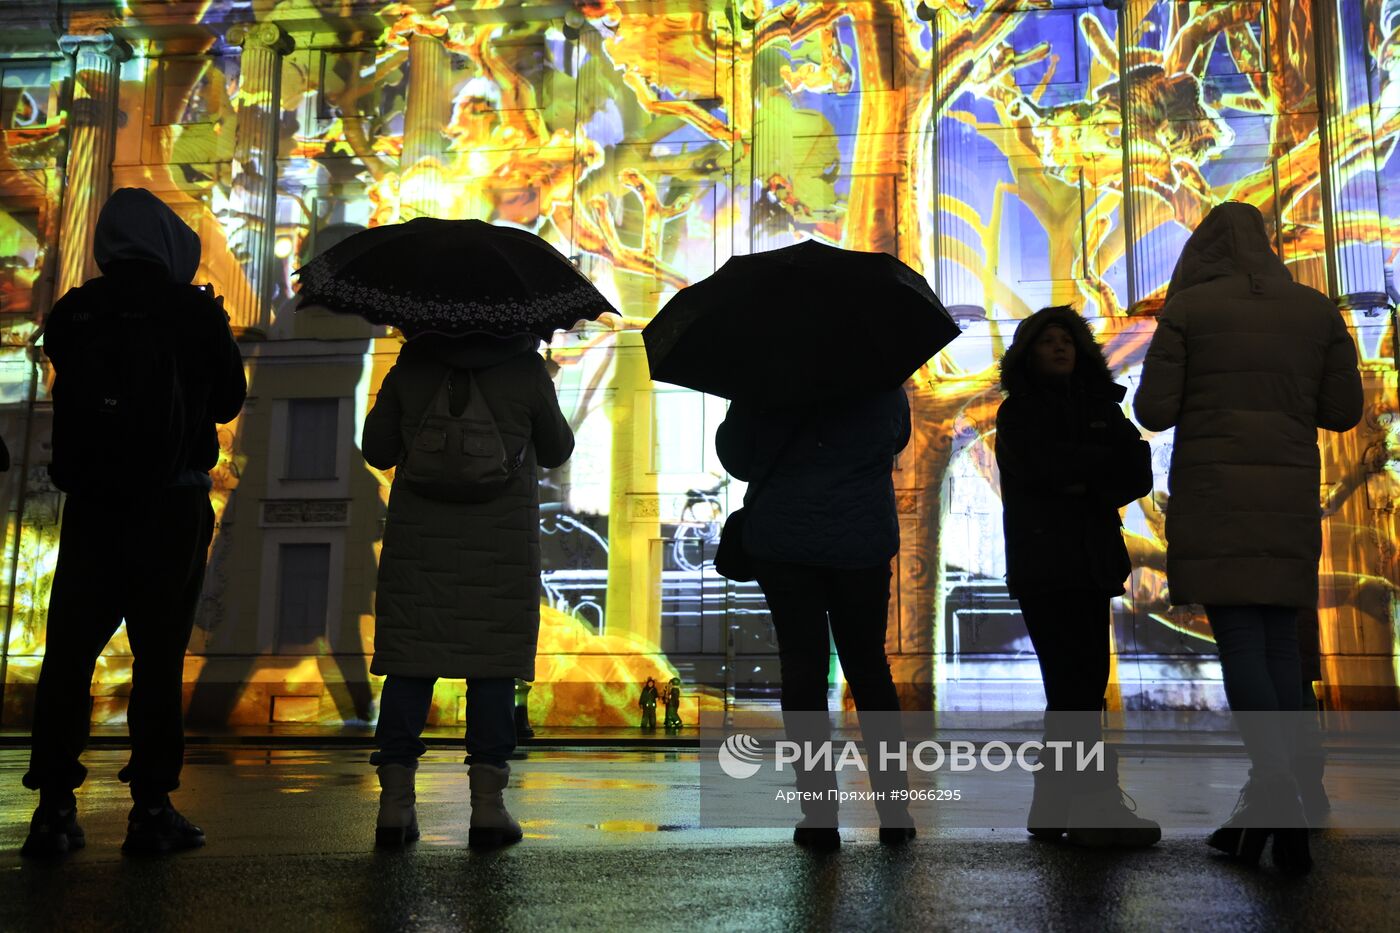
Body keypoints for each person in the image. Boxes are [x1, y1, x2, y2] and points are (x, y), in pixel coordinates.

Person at [1134, 201, 1363, 874]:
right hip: (1288, 497)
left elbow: (1153, 409)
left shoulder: (1190, 311)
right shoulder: (1315, 310)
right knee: (1279, 650)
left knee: (1240, 641)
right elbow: (1342, 410)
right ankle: (1279, 798)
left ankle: (1275, 787)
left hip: (1215, 498)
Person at [21, 188, 247, 857]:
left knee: (69, 656)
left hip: (92, 507)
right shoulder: (189, 310)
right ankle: (151, 807)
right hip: (170, 508)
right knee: (157, 659)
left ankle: (54, 809)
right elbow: (231, 398)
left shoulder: (76, 310)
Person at [362, 330, 573, 849]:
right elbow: (557, 449)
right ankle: (488, 810)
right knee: (492, 667)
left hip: (420, 547)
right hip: (499, 547)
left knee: (411, 665)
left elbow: (376, 448)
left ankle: (394, 807)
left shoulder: (410, 367)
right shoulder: (525, 370)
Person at [716, 388, 914, 849]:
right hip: (860, 541)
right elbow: (896, 438)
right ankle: (894, 809)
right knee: (868, 671)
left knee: (803, 674)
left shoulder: (766, 374)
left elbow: (738, 459)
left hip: (785, 545)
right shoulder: (875, 374)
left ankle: (819, 814)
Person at [994, 305, 1160, 848]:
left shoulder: (1102, 407)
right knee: (1073, 687)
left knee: (1079, 688)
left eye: (1067, 339)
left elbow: (1136, 470)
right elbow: (1042, 469)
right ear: (1029, 353)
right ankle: (1092, 804)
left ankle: (1056, 805)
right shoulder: (1017, 415)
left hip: (1089, 563)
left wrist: (1080, 479)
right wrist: (1094, 474)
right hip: (1046, 566)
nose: (1060, 347)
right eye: (1048, 341)